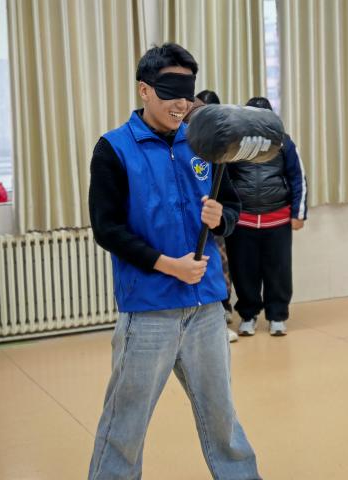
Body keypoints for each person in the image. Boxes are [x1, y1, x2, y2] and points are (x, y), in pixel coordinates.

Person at [87, 43, 260, 479]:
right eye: (169, 92)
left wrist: (222, 218)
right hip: (149, 311)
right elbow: (107, 228)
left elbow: (231, 207)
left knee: (223, 422)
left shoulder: (203, 144)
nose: (181, 104)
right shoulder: (114, 149)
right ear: (144, 90)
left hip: (206, 309)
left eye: (187, 93)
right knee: (124, 428)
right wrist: (166, 264)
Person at [225, 96, 308, 337]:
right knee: (243, 271)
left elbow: (298, 177)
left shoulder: (283, 142)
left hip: (277, 219)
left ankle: (277, 316)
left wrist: (298, 213)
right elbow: (223, 181)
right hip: (242, 221)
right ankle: (248, 315)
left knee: (278, 271)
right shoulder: (234, 144)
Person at [185, 88, 238, 343]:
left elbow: (230, 201)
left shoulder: (214, 149)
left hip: (210, 227)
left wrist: (221, 218)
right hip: (182, 233)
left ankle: (222, 312)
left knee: (218, 268)